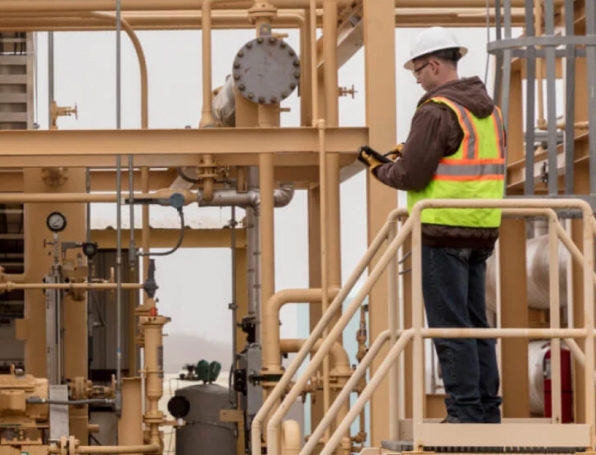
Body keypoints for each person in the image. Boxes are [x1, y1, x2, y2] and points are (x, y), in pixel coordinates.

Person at [358, 26, 506, 424]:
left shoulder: (435, 110)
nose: (417, 78)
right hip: (482, 230)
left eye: (418, 70)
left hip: (441, 231)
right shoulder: (489, 111)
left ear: (435, 65)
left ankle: (463, 412)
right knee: (476, 324)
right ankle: (486, 409)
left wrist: (381, 169)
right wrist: (409, 157)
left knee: (449, 325)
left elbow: (412, 177)